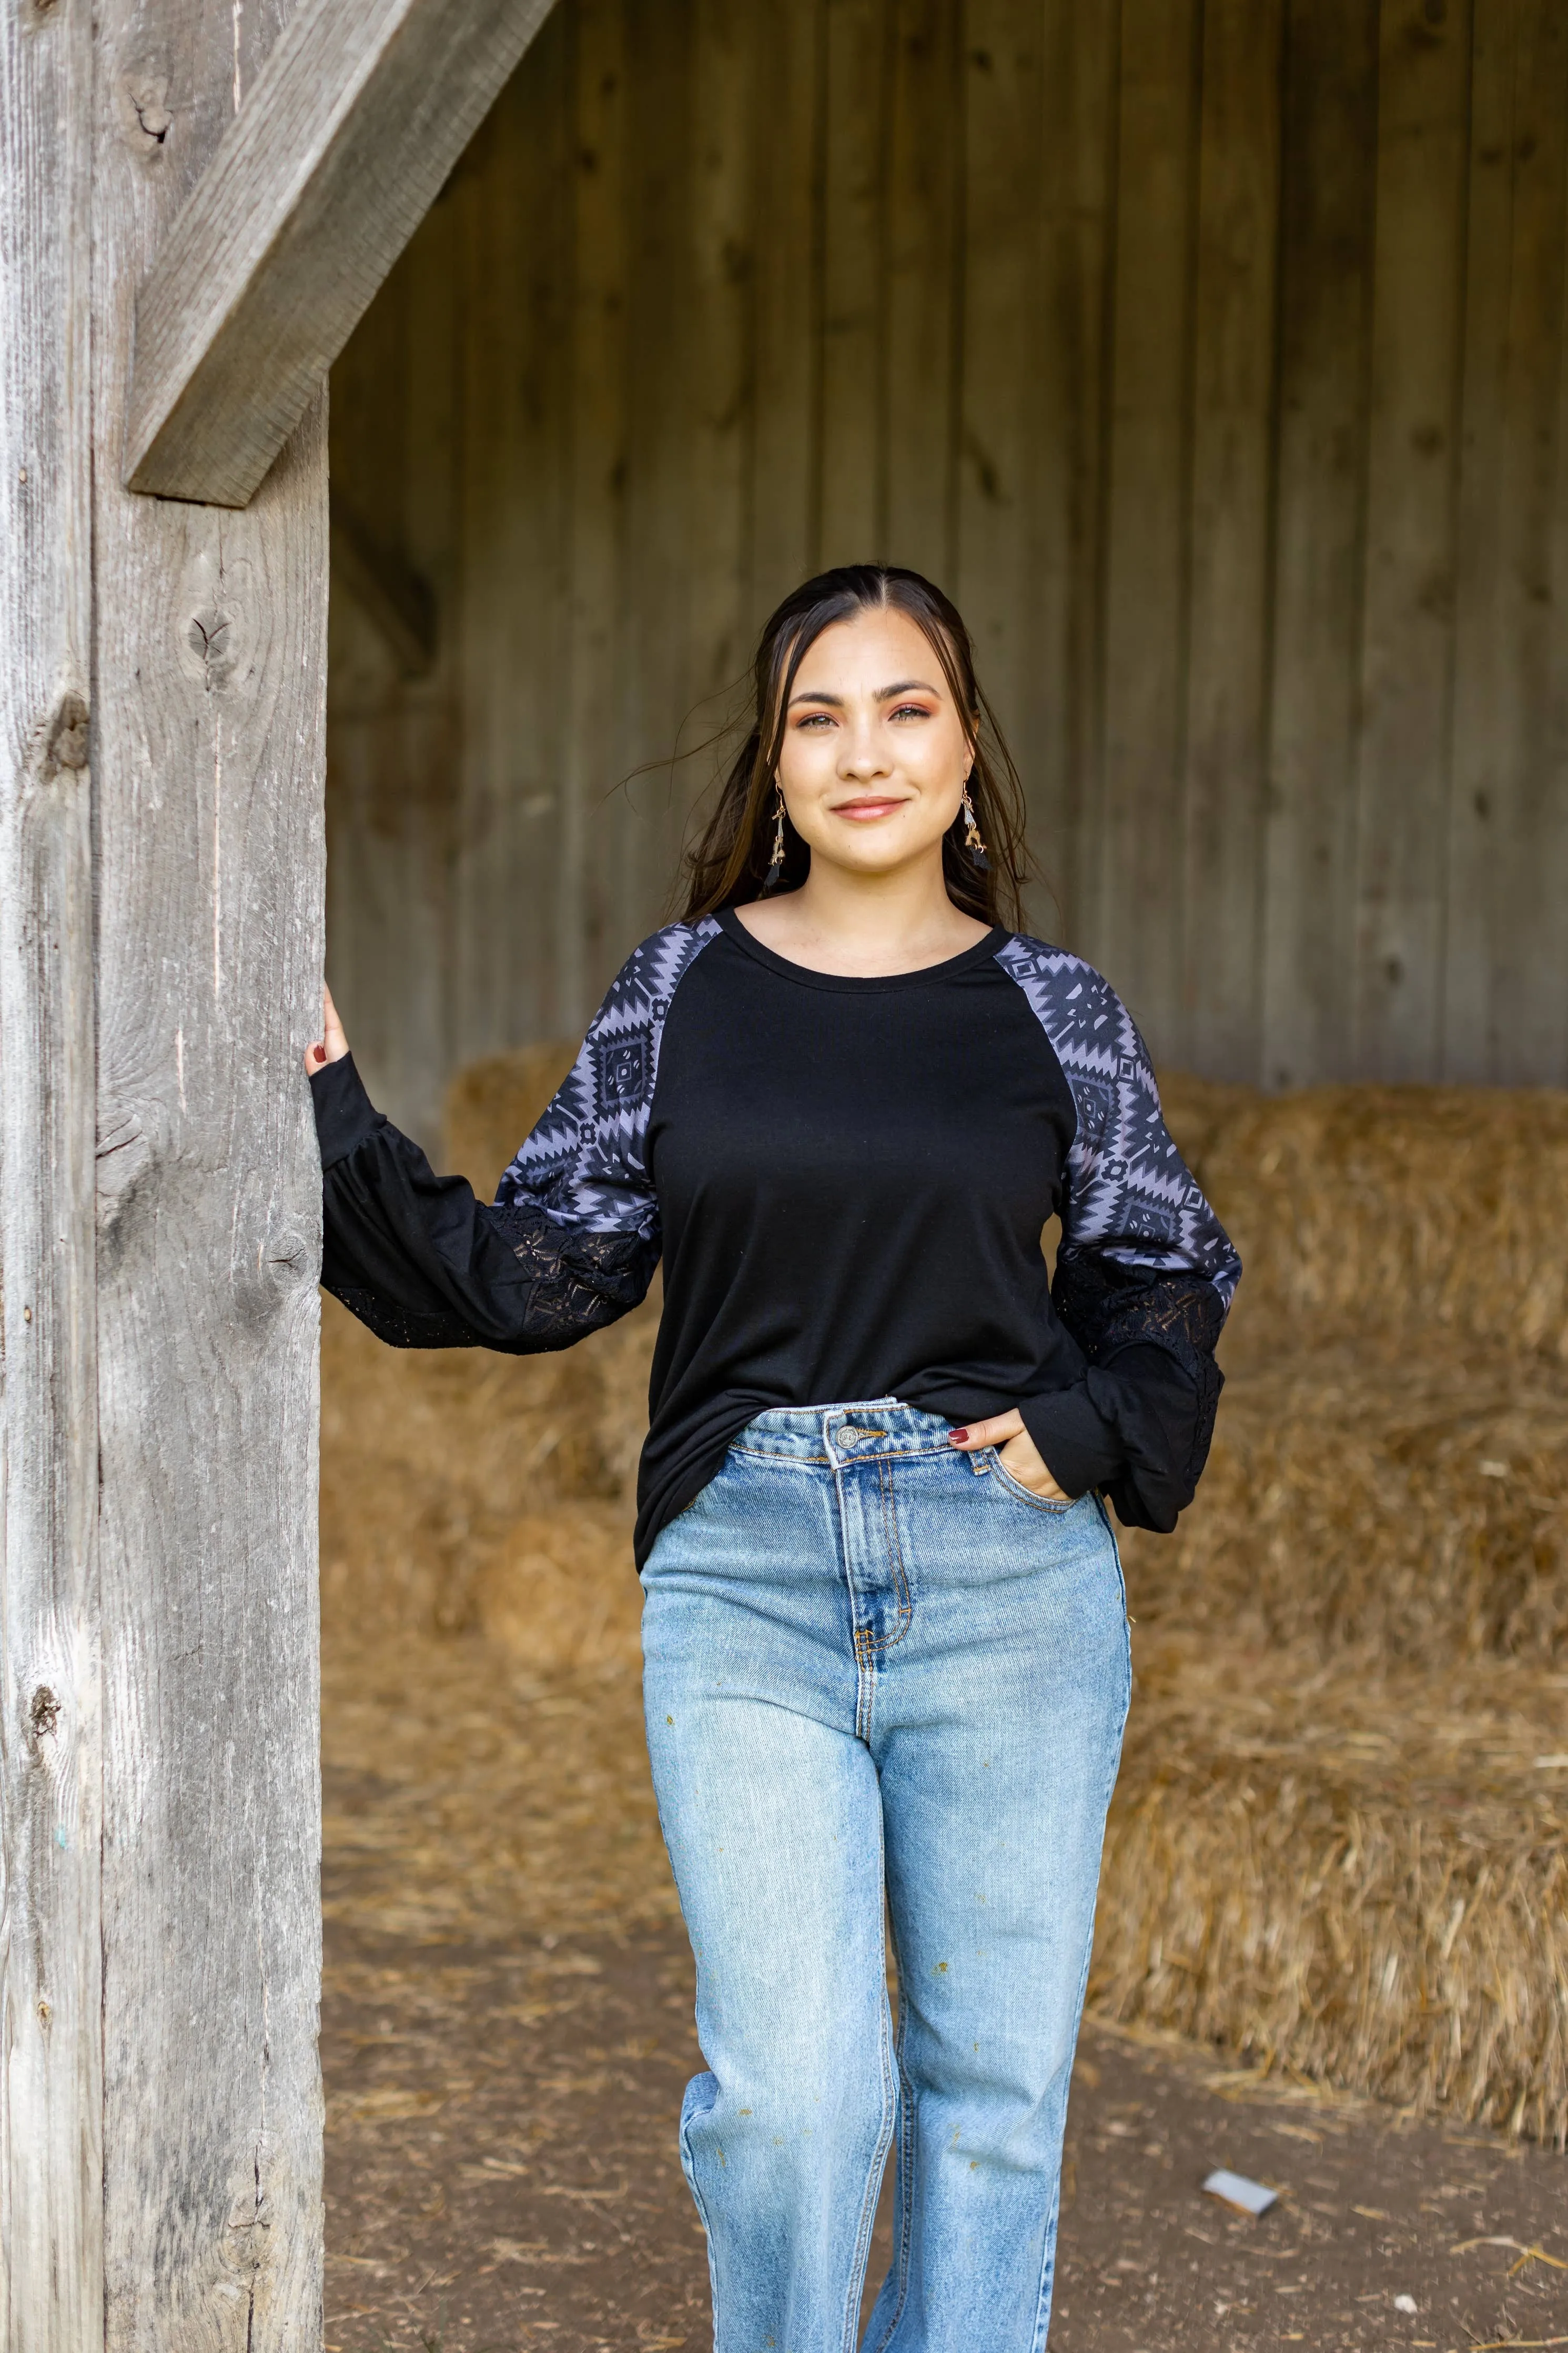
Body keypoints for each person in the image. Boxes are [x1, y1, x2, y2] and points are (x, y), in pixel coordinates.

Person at [307, 564, 1240, 2352]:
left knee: (985, 2106)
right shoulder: (682, 992)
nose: (864, 751)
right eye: (821, 715)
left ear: (968, 754)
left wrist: (1085, 1428)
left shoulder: (1056, 1009)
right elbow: (532, 1270)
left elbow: (1164, 1264)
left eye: (906, 709)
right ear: (776, 760)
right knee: (797, 2104)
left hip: (1004, 1586)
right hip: (747, 1578)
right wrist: (333, 1115)